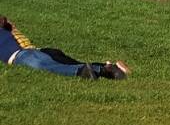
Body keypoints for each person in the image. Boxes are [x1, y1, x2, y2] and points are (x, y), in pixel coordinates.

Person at [1, 15, 129, 80]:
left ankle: (84, 71)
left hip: (24, 54)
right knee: (70, 64)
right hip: (40, 51)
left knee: (44, 66)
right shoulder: (7, 27)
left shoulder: (5, 27)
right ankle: (111, 69)